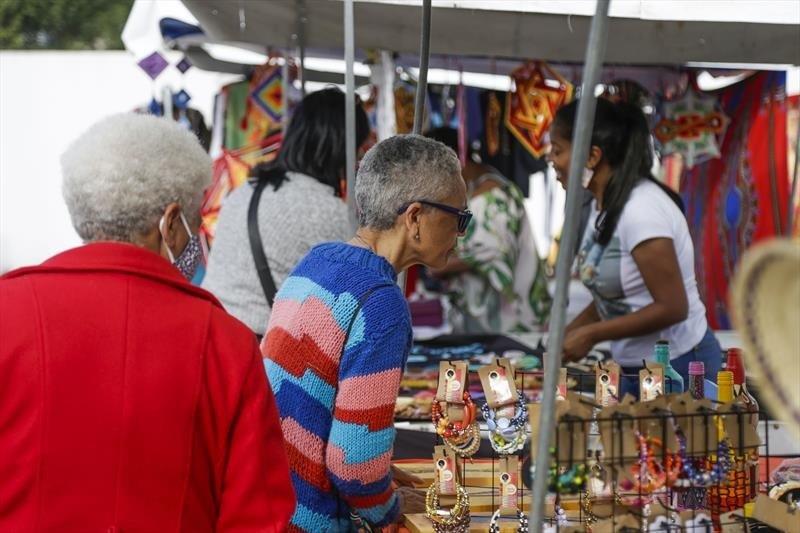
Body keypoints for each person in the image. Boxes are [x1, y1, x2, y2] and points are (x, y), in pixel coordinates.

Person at [0, 114, 295, 532]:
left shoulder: (7, 311)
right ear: (171, 222)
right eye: (195, 222)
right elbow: (259, 517)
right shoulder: (225, 342)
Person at [261, 135, 468, 531]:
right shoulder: (381, 303)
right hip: (311, 518)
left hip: (271, 501)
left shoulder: (316, 263)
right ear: (415, 217)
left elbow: (312, 406)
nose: (460, 234)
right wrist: (387, 510)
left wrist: (380, 473)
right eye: (459, 218)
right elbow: (352, 462)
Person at [547, 98, 722, 395]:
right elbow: (615, 296)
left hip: (678, 369)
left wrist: (591, 335)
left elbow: (673, 307)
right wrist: (569, 332)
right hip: (636, 368)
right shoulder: (603, 206)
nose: (550, 159)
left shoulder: (642, 211)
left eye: (558, 150)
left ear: (592, 156)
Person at [203, 87, 372, 337]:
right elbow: (354, 301)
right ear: (342, 148)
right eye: (358, 148)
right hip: (263, 355)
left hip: (215, 335)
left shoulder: (245, 191)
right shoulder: (327, 210)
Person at [423, 127, 551, 333]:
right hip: (487, 323)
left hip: (513, 324)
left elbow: (495, 253)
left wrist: (443, 265)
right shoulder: (477, 193)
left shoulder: (494, 198)